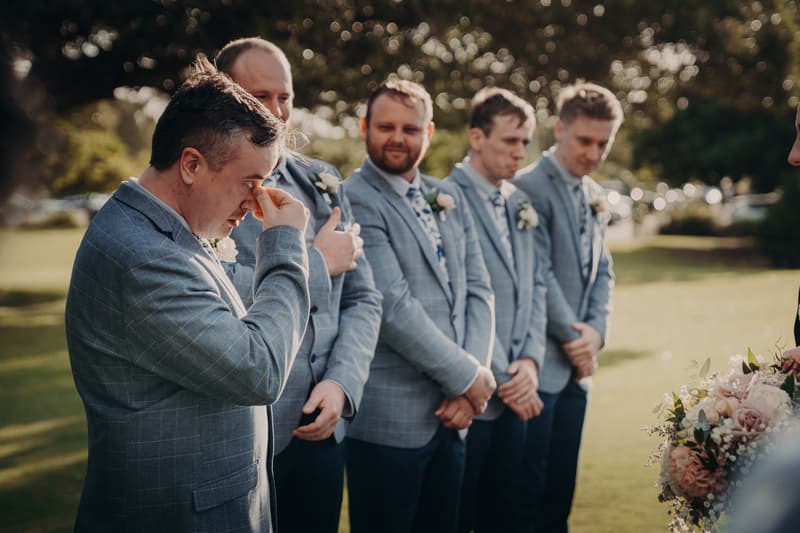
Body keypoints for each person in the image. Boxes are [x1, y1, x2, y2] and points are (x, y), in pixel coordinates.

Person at [65, 57, 310, 532]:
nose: (256, 199)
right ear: (192, 164)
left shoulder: (162, 232)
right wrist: (285, 245)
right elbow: (258, 370)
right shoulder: (140, 257)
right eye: (249, 182)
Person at [215, 37, 382, 533]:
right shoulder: (205, 182)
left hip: (321, 424)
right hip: (242, 426)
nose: (276, 110)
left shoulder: (324, 179)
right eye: (259, 97)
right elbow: (213, 287)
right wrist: (314, 262)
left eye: (284, 96)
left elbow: (364, 297)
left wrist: (341, 384)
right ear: (221, 94)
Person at [342, 79, 497, 533]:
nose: (397, 137)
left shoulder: (446, 196)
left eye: (410, 128)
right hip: (389, 422)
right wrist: (468, 379)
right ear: (364, 127)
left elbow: (478, 290)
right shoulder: (356, 198)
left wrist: (472, 380)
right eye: (385, 126)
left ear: (428, 133)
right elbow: (393, 307)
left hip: (455, 416)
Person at [512, 82, 621, 532]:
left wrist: (597, 332)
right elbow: (539, 275)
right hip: (537, 369)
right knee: (527, 496)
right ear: (559, 129)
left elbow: (604, 272)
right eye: (585, 141)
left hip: (578, 371)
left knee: (561, 494)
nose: (594, 153)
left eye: (603, 143)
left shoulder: (594, 194)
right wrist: (577, 339)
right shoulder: (526, 189)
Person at [445, 87, 547, 533]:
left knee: (507, 516)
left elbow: (537, 286)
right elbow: (458, 297)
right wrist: (505, 373)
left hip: (520, 386)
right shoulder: (444, 199)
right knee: (461, 516)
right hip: (476, 389)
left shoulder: (519, 202)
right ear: (476, 137)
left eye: (526, 142)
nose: (520, 152)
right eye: (510, 140)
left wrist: (530, 360)